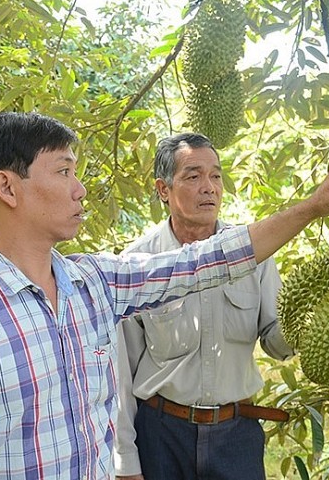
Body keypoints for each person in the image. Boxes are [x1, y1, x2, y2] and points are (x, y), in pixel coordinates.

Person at [0, 112, 329, 480]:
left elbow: (205, 262)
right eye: (64, 172)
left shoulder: (93, 285)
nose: (81, 190)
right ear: (7, 187)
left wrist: (313, 206)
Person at [114, 133, 292, 480]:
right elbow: (121, 373)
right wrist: (126, 461)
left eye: (215, 175)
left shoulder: (254, 255)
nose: (209, 187)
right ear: (163, 190)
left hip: (235, 433)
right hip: (162, 433)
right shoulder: (138, 262)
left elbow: (275, 339)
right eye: (193, 176)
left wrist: (308, 323)